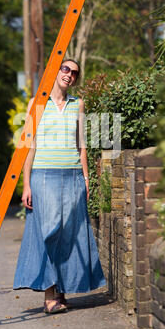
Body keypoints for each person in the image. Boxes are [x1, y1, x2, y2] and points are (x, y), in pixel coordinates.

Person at [13, 59, 106, 314]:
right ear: (55, 71)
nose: (70, 75)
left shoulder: (78, 104)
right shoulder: (36, 104)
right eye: (66, 69)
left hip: (73, 176)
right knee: (50, 232)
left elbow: (82, 146)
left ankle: (61, 292)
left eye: (75, 73)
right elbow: (28, 148)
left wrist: (86, 180)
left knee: (69, 234)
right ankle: (49, 295)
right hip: (44, 177)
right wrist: (26, 184)